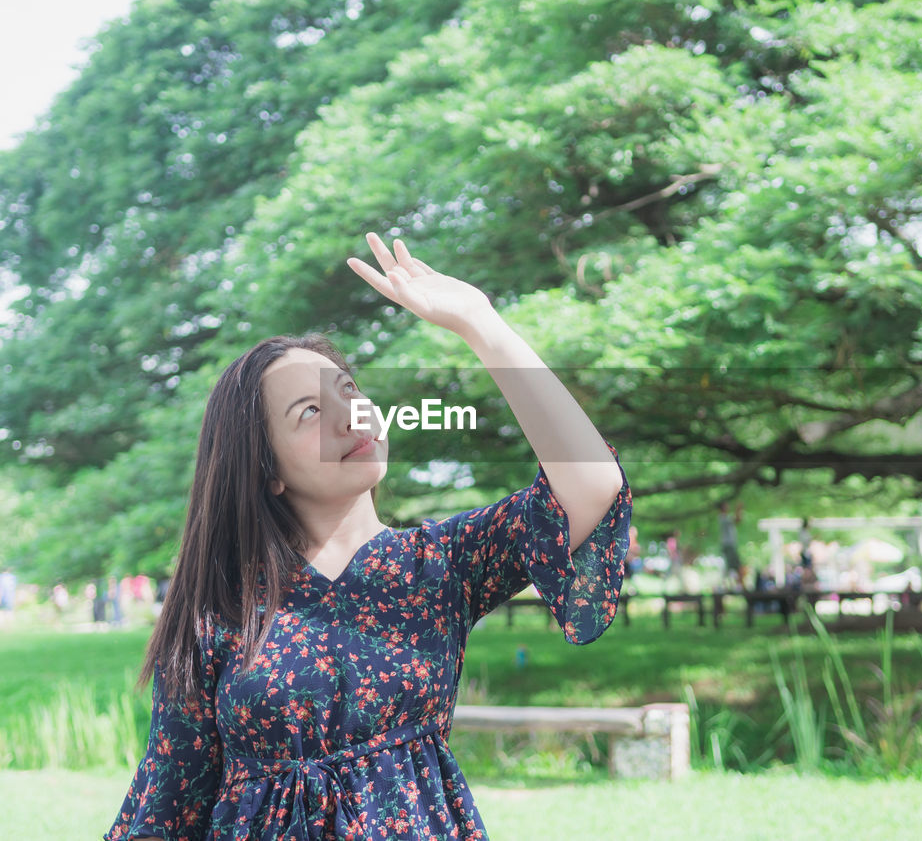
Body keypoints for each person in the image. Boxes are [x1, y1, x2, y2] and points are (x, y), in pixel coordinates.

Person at [106, 234, 631, 841]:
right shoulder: (218, 608)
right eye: (309, 411)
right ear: (266, 469)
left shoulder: (439, 564)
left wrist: (481, 324)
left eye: (349, 392)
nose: (348, 415)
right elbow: (170, 803)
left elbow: (591, 485)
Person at [718, 501, 742, 589]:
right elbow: (737, 520)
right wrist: (738, 509)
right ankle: (731, 585)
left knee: (731, 566)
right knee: (733, 565)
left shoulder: (725, 518)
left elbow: (737, 520)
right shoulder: (723, 518)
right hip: (728, 545)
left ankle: (729, 585)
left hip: (729, 545)